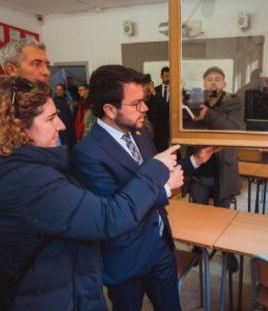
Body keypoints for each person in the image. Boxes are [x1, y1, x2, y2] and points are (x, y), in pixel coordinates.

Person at [0, 76, 183, 311]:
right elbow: (109, 216)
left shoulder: (6, 166)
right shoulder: (29, 181)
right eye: (50, 118)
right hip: (54, 296)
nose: (61, 125)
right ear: (15, 125)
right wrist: (156, 171)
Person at [72, 65, 214, 311]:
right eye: (137, 103)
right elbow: (115, 210)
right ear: (109, 109)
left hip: (160, 245)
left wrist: (195, 161)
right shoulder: (87, 153)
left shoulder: (138, 133)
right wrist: (166, 191)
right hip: (127, 257)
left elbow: (158, 172)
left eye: (144, 101)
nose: (145, 108)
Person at [188, 66, 242, 272]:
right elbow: (186, 127)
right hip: (199, 167)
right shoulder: (194, 99)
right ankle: (198, 247)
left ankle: (227, 252)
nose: (213, 82)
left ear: (224, 84)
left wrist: (209, 115)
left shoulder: (232, 101)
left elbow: (234, 130)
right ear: (203, 84)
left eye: (217, 79)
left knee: (223, 215)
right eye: (209, 79)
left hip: (223, 168)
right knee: (199, 214)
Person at [53, 83, 76, 149]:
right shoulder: (53, 102)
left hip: (69, 126)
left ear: (64, 91)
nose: (58, 91)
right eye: (57, 90)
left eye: (60, 90)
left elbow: (71, 114)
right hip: (60, 129)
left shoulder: (69, 101)